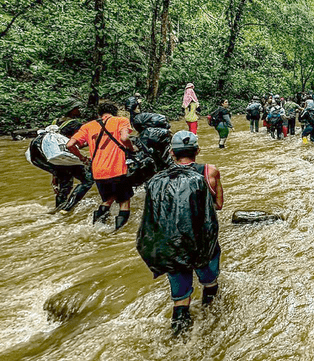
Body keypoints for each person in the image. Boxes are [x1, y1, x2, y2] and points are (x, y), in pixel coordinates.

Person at [137, 131, 224, 336]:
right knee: (209, 282)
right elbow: (218, 205)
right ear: (198, 150)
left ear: (172, 153)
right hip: (201, 242)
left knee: (180, 296)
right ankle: (212, 325)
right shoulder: (209, 171)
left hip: (170, 245)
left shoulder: (157, 179)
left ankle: (179, 337)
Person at [66, 102, 135, 231]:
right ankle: (117, 232)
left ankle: (97, 228)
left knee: (108, 200)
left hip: (98, 171)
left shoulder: (88, 126)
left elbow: (70, 144)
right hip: (117, 169)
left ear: (99, 113)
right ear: (115, 112)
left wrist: (82, 158)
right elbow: (125, 138)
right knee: (124, 201)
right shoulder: (121, 120)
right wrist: (132, 149)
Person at [29, 101, 94, 213]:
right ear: (71, 110)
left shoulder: (56, 122)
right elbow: (73, 144)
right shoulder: (74, 124)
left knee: (64, 183)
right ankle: (67, 207)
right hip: (64, 157)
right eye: (77, 108)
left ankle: (58, 209)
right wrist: (83, 157)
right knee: (88, 180)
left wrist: (54, 174)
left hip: (48, 156)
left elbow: (54, 147)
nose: (79, 110)